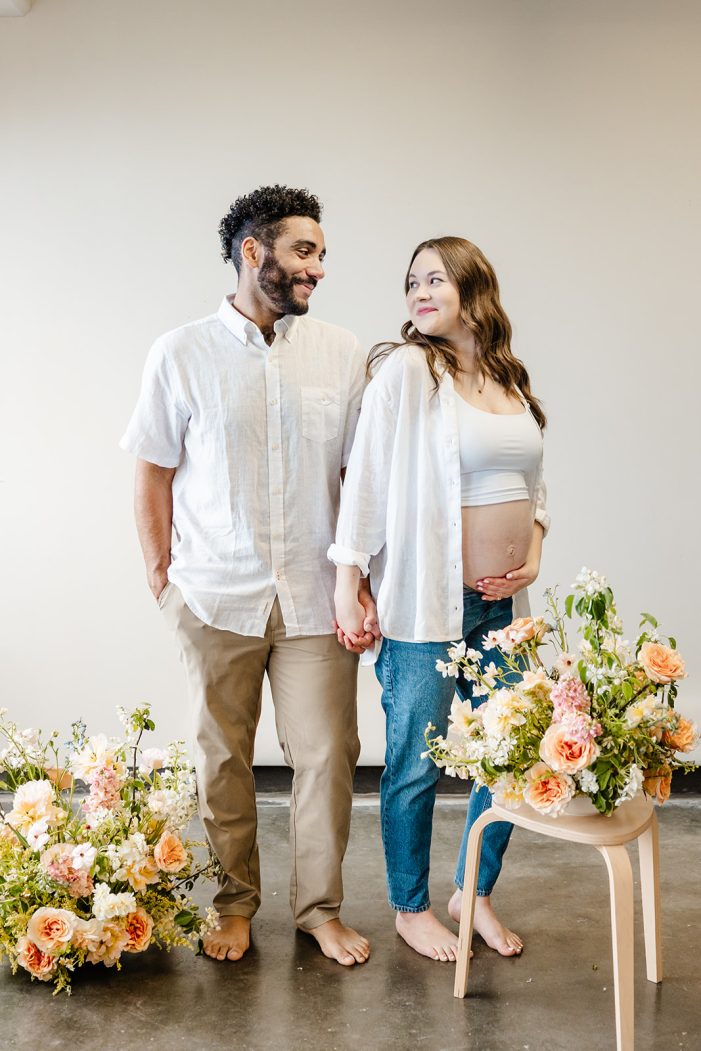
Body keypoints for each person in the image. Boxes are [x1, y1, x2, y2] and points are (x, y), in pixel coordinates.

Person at [121, 185, 378, 966]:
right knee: (223, 761)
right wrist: (164, 580)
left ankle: (318, 909)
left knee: (327, 755)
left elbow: (359, 478)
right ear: (253, 252)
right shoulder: (180, 351)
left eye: (322, 255)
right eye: (305, 251)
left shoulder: (341, 351)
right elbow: (151, 472)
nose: (319, 269)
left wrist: (358, 577)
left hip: (313, 595)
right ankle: (234, 905)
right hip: (213, 593)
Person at [330, 236, 549, 962]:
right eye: (412, 282)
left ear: (472, 287)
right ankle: (410, 906)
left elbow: (531, 485)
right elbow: (364, 479)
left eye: (435, 279)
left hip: (498, 611)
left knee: (513, 756)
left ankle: (472, 892)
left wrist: (532, 555)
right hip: (426, 605)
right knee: (415, 761)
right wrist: (348, 581)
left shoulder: (507, 378)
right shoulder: (406, 371)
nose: (419, 292)